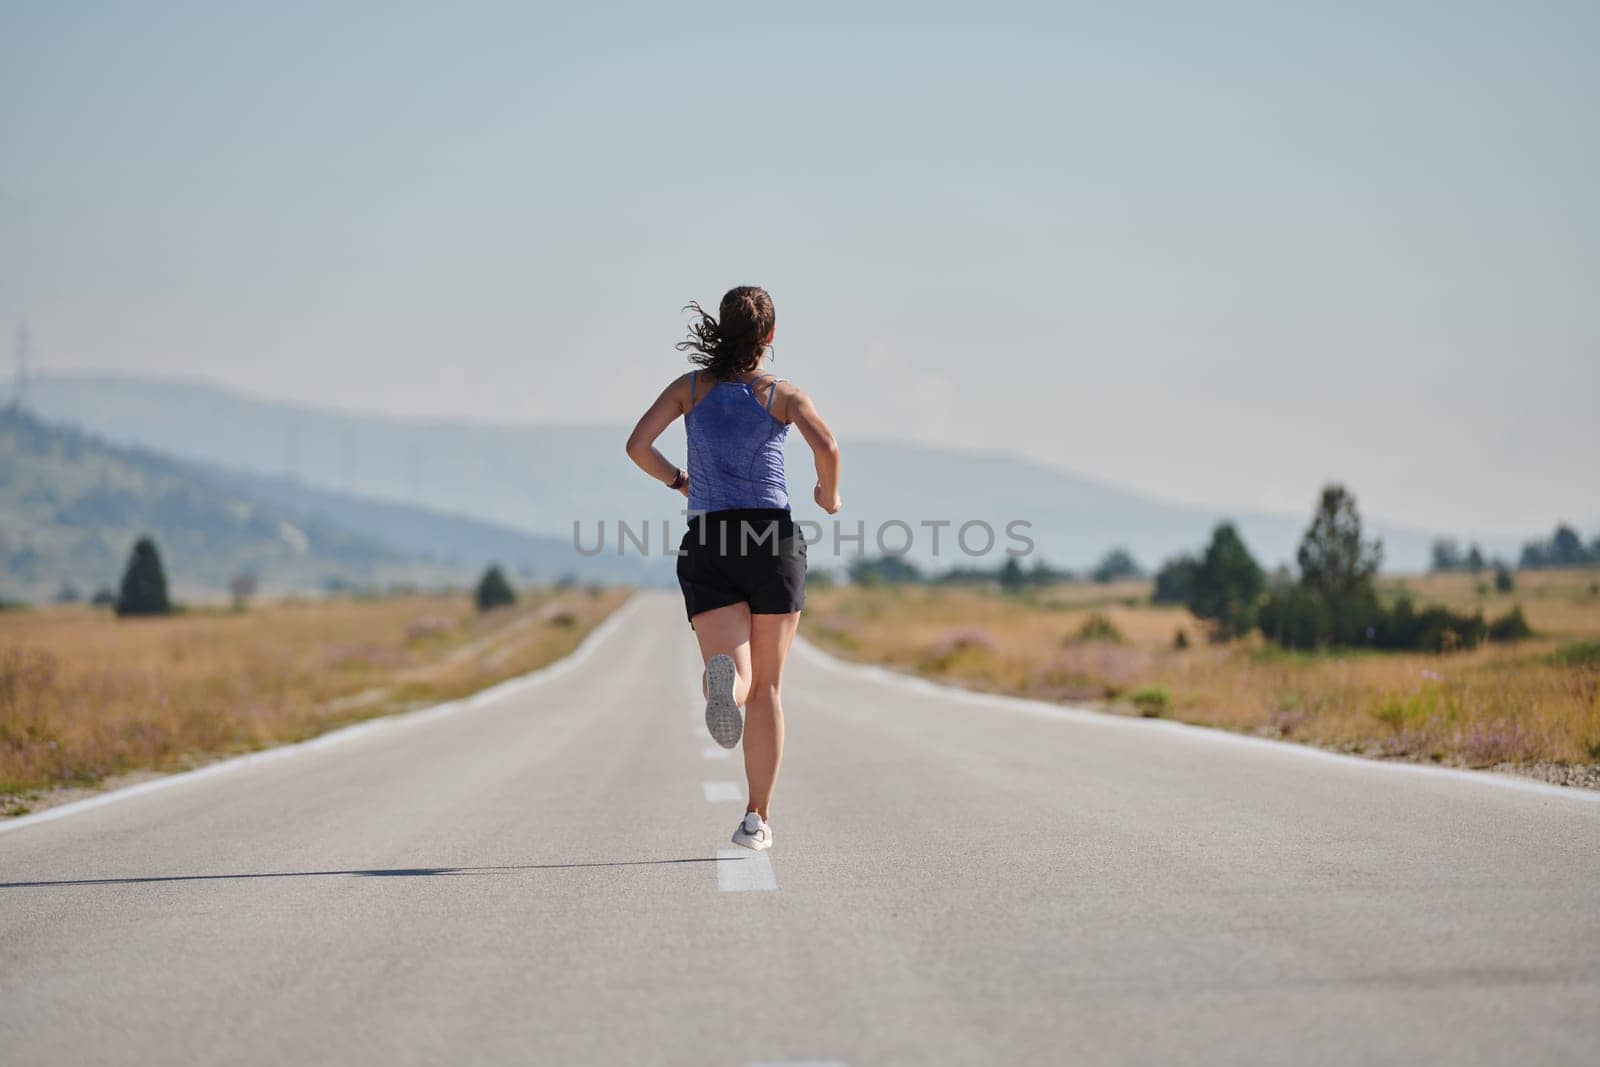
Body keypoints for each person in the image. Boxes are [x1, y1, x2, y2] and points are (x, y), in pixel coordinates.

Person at [625, 286, 841, 851]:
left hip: (711, 537)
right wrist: (829, 495)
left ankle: (727, 686)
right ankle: (756, 819)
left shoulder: (691, 388)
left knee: (736, 671)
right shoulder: (781, 394)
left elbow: (637, 445)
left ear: (720, 329)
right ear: (770, 337)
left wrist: (679, 480)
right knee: (770, 687)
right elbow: (828, 446)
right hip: (772, 539)